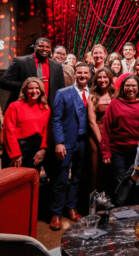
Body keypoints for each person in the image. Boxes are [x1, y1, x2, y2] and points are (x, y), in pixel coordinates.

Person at [50, 63, 91, 230]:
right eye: (79, 73)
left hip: (85, 142)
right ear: (74, 74)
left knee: (77, 178)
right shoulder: (63, 93)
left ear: (89, 75)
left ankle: (71, 207)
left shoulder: (92, 93)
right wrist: (59, 142)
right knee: (61, 178)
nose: (82, 76)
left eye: (85, 73)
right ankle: (56, 213)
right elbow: (56, 119)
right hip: (66, 143)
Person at [100, 75, 139, 204]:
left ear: (138, 88)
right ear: (123, 88)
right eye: (127, 85)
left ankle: (134, 210)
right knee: (121, 181)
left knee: (137, 181)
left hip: (138, 152)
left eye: (134, 85)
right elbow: (106, 128)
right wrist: (105, 151)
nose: (130, 88)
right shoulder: (115, 103)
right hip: (118, 151)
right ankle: (121, 210)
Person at [0, 37, 65, 112]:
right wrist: (28, 84)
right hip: (24, 108)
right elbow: (4, 83)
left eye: (48, 47)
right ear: (35, 47)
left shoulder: (56, 66)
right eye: (41, 46)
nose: (45, 49)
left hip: (47, 109)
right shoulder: (20, 62)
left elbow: (61, 90)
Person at [3, 77, 50, 171]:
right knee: (14, 178)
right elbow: (8, 130)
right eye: (30, 88)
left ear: (41, 90)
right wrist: (15, 153)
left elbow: (47, 131)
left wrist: (43, 150)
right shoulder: (14, 106)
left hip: (36, 148)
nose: (34, 91)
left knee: (32, 177)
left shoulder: (45, 108)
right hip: (18, 147)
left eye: (37, 88)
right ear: (24, 90)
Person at [87, 67, 115, 194]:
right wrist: (102, 142)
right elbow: (92, 122)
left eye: (105, 77)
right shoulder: (92, 97)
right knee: (95, 169)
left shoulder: (116, 94)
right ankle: (94, 202)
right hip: (97, 135)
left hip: (113, 135)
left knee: (111, 169)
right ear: (96, 79)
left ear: (110, 79)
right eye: (99, 77)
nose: (102, 80)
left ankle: (109, 199)